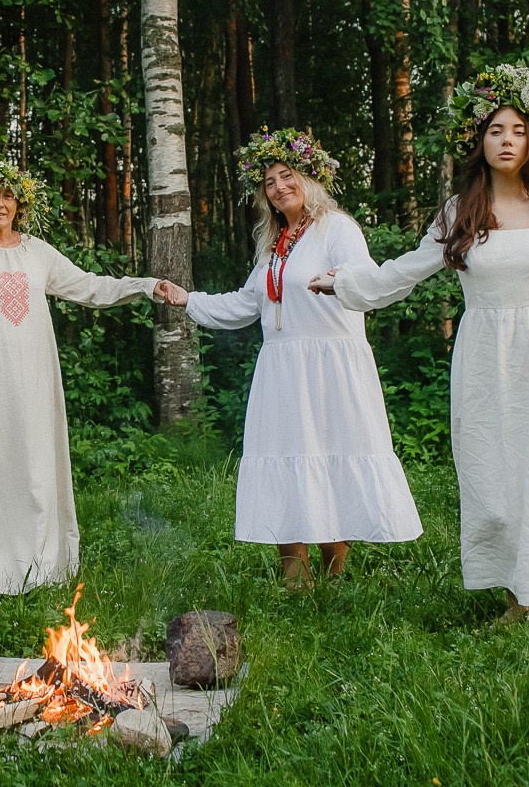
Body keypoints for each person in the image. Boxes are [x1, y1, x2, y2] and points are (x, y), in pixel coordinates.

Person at [309, 64, 529, 630]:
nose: (507, 140)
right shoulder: (460, 213)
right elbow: (408, 269)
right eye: (497, 130)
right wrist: (345, 284)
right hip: (482, 356)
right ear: (479, 141)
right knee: (492, 475)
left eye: (519, 130)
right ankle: (514, 597)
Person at [156, 129, 422, 587]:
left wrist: (337, 280)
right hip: (282, 368)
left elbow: (364, 278)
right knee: (284, 457)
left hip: (331, 366)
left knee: (329, 457)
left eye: (287, 175)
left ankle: (335, 575)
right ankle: (294, 577)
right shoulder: (274, 245)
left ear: (308, 177)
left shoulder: (337, 228)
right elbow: (246, 304)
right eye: (270, 182)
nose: (279, 187)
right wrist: (188, 300)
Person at [0, 161, 159, 594]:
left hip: (34, 381)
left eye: (7, 196)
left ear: (19, 204)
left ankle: (38, 563)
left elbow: (90, 287)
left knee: (34, 461)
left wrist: (145, 285)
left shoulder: (38, 252)